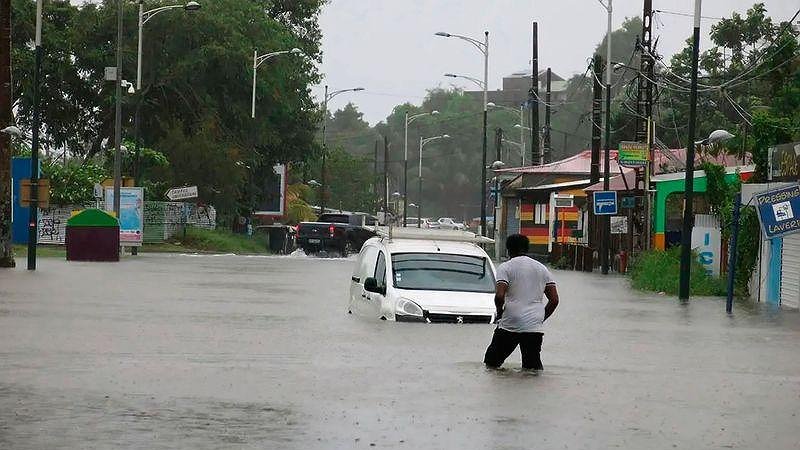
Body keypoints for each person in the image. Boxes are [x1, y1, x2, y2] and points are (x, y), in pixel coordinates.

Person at [484, 234, 560, 370]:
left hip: (510, 321)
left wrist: (499, 313)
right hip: (534, 324)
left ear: (508, 250)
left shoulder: (505, 267)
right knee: (532, 367)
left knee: (491, 363)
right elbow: (554, 300)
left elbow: (499, 296)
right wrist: (541, 317)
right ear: (527, 248)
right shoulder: (542, 268)